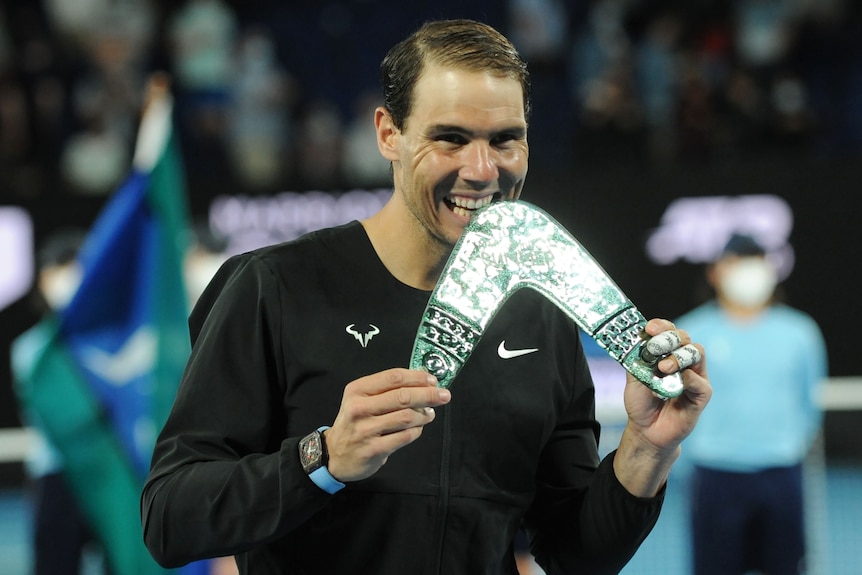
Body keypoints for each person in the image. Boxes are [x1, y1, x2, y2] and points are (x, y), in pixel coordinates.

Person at [141, 19, 711, 575]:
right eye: (451, 139)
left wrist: (646, 448)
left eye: (506, 140)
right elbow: (170, 520)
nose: (483, 170)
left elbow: (574, 553)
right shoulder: (273, 286)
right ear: (389, 134)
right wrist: (324, 458)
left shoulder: (540, 317)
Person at [676, 233, 827, 575]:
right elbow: (677, 403)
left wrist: (787, 446)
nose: (747, 271)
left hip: (782, 475)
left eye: (755, 262)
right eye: (736, 262)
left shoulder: (801, 333)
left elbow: (808, 403)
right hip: (715, 477)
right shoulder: (691, 332)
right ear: (714, 272)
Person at [11, 229, 110, 575]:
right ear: (42, 280)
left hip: (109, 474)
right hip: (58, 475)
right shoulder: (31, 351)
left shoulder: (110, 344)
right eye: (57, 270)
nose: (66, 280)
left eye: (75, 268)